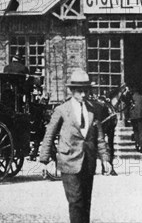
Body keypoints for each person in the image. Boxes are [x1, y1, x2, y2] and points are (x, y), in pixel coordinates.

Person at [40, 69, 111, 223]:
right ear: (72, 91)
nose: (83, 95)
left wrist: (105, 159)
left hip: (88, 162)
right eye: (79, 91)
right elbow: (49, 135)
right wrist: (44, 160)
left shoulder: (93, 110)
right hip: (69, 162)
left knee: (86, 203)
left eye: (85, 91)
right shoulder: (61, 110)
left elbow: (99, 137)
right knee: (76, 202)